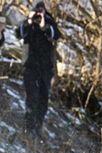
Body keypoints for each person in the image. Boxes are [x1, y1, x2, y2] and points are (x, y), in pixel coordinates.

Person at [16, 1, 61, 138]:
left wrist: (44, 26)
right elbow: (19, 33)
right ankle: (28, 128)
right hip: (30, 65)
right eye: (37, 11)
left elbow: (56, 35)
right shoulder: (28, 23)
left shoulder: (49, 21)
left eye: (41, 11)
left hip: (46, 68)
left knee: (43, 99)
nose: (38, 13)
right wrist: (29, 21)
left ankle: (38, 127)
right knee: (31, 96)